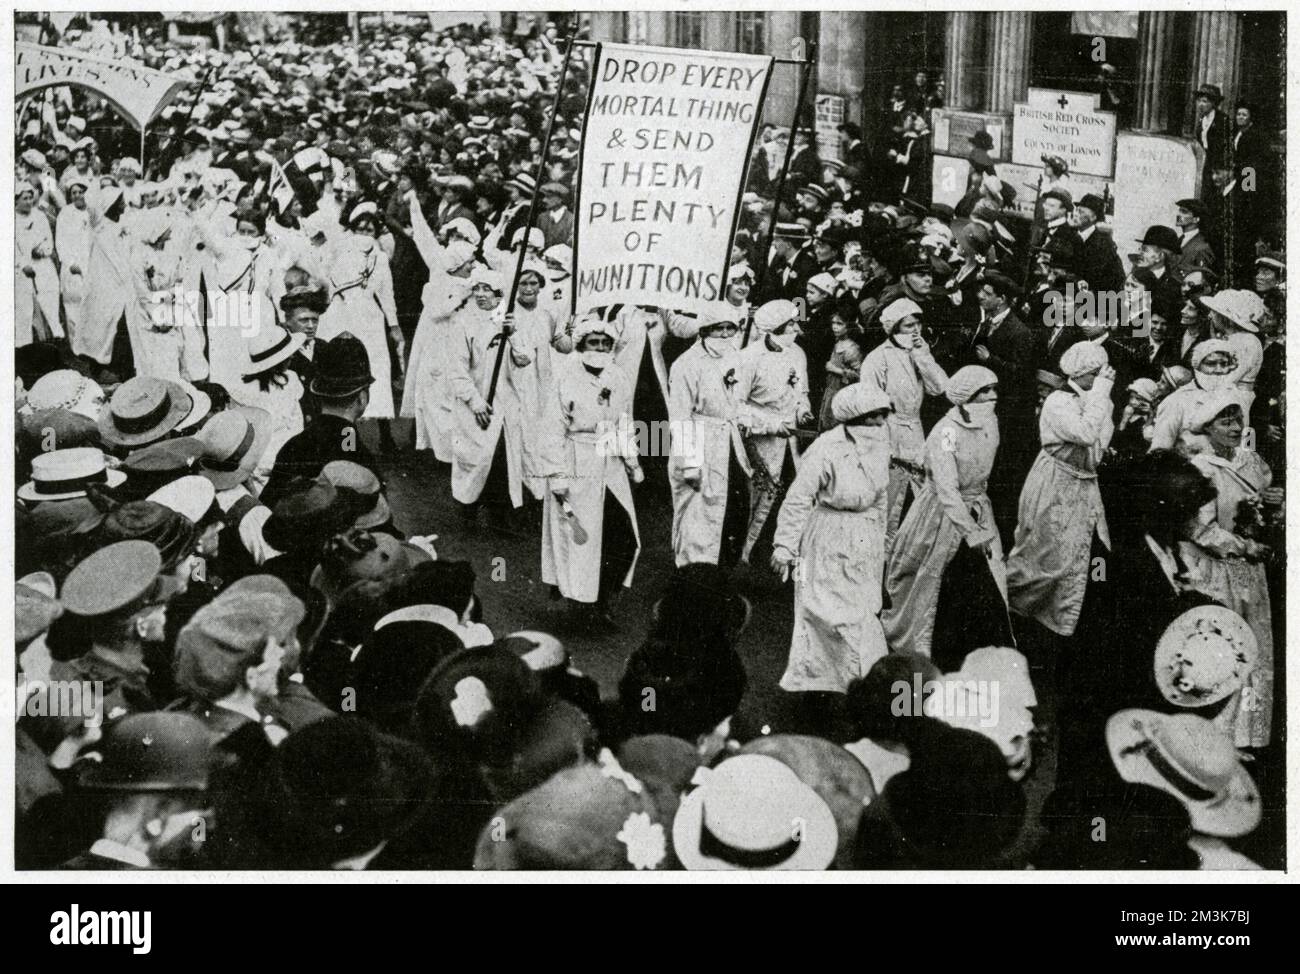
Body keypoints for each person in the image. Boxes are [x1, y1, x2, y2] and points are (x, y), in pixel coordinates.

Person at [882, 365, 1013, 668]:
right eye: (985, 392)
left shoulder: (989, 421)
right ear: (967, 396)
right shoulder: (947, 431)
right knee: (932, 585)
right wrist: (972, 532)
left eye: (994, 390)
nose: (993, 397)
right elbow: (947, 488)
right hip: (942, 515)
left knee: (987, 581)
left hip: (978, 507)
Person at [771, 384, 892, 699]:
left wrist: (883, 540)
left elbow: (881, 497)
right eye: (874, 417)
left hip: (865, 536)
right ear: (856, 419)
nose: (880, 424)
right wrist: (784, 546)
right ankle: (815, 683)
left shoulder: (881, 445)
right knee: (823, 613)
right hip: (827, 534)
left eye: (884, 416)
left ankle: (860, 685)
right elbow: (799, 497)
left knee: (863, 614)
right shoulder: (827, 447)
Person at [1006, 342, 1116, 642]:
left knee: (1079, 555)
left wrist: (1101, 400)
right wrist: (1102, 395)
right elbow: (1085, 433)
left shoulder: (1097, 399)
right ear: (1080, 374)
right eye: (1095, 374)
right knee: (1044, 558)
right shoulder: (1058, 401)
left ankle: (1062, 622)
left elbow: (1100, 440)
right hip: (1055, 484)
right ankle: (1010, 606)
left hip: (1083, 484)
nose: (1100, 380)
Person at [1182, 394, 1275, 749]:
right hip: (1218, 571)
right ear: (1207, 427)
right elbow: (1199, 529)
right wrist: (1243, 546)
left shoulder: (1251, 462)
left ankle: (1246, 734)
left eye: (1239, 421)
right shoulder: (1201, 469)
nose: (1235, 428)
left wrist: (1274, 509)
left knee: (1254, 648)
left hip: (1250, 571)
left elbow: (1264, 503)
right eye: (1225, 422)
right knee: (1223, 649)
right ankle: (1215, 734)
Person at [539, 314, 642, 621]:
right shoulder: (566, 378)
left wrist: (632, 461)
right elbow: (551, 430)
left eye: (605, 343)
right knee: (579, 536)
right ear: (581, 345)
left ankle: (605, 597)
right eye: (593, 342)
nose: (599, 347)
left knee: (623, 535)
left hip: (609, 463)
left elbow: (623, 420)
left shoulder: (617, 376)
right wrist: (557, 475)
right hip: (575, 462)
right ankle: (581, 604)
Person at [447, 267, 552, 517]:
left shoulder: (508, 319)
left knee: (503, 458)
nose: (481, 295)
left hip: (505, 403)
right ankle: (468, 508)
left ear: (498, 294)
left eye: (487, 289)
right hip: (474, 402)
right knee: (475, 457)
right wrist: (475, 402)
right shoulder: (462, 323)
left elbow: (525, 359)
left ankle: (500, 513)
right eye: (477, 289)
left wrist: (514, 335)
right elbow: (457, 370)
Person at [667, 304, 752, 567]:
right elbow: (679, 419)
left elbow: (738, 402)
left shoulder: (735, 358)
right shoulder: (686, 364)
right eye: (719, 329)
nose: (726, 335)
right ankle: (695, 579)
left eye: (731, 328)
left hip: (728, 443)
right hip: (699, 443)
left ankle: (723, 575)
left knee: (733, 510)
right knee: (699, 516)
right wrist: (690, 464)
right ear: (704, 331)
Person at [859, 296, 948, 541]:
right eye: (909, 326)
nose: (916, 331)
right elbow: (868, 402)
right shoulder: (878, 358)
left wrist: (923, 356)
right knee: (887, 497)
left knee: (918, 495)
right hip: (887, 430)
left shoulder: (919, 353)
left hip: (915, 431)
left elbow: (939, 387)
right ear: (895, 327)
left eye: (918, 324)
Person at [317, 203, 403, 442]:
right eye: (360, 228)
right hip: (340, 314)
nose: (364, 234)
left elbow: (387, 293)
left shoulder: (380, 258)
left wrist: (394, 325)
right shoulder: (339, 249)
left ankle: (385, 434)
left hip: (368, 317)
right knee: (340, 369)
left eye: (370, 229)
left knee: (376, 370)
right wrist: (331, 295)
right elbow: (322, 272)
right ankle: (343, 434)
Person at [734, 299, 812, 565]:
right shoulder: (748, 358)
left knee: (791, 495)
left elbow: (801, 390)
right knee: (757, 496)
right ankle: (741, 553)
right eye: (790, 325)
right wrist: (769, 425)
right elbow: (736, 405)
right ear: (775, 328)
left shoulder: (797, 354)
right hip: (761, 440)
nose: (795, 329)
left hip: (793, 440)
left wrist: (803, 409)